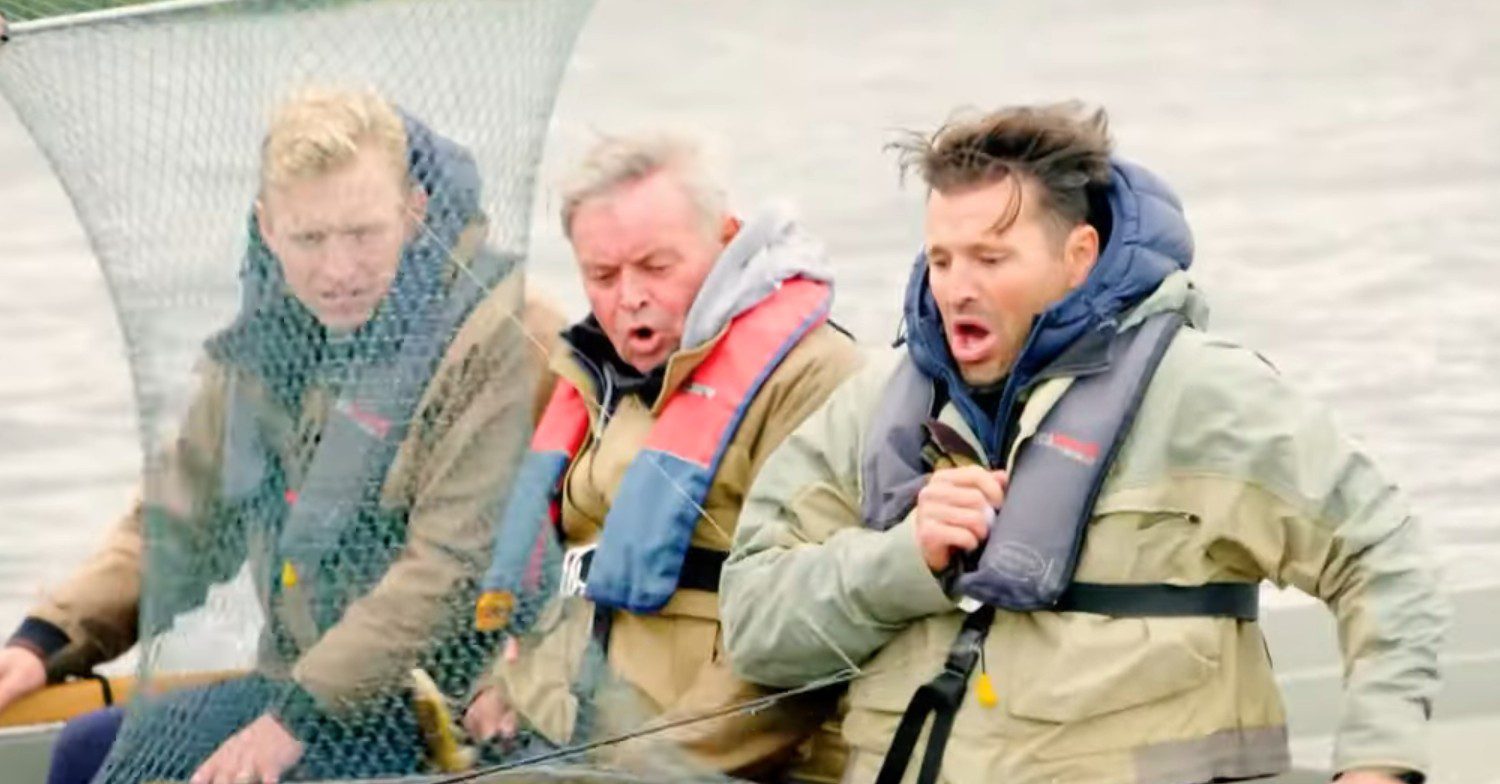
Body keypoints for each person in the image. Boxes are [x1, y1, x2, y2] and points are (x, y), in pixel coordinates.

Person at [720, 103, 1449, 784]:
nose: (957, 289)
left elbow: (1383, 554)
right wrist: (901, 560)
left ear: (1079, 254)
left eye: (991, 258)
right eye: (941, 261)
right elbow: (754, 624)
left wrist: (1377, 761)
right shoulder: (869, 409)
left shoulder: (1204, 396)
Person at [0, 87, 563, 784]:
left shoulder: (502, 332)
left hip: (436, 705)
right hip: (298, 689)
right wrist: (46, 638)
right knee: (88, 752)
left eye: (363, 234)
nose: (337, 271)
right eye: (309, 238)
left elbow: (447, 569)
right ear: (268, 227)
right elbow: (181, 524)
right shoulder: (270, 343)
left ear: (414, 211)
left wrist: (292, 722)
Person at [462, 133, 860, 781]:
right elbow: (567, 571)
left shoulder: (815, 377)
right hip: (571, 745)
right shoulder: (590, 375)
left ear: (727, 238)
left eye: (656, 266)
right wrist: (504, 688)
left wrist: (640, 772)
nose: (629, 297)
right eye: (603, 275)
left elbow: (799, 650)